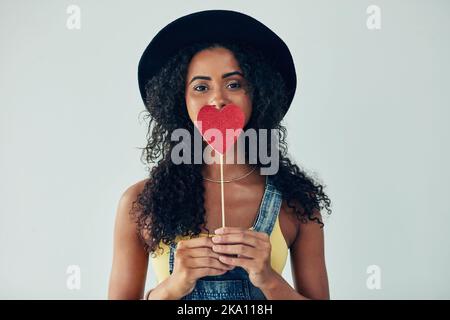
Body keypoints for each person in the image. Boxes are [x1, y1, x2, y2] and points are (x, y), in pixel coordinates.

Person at [108, 9, 332, 300]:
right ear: (180, 100)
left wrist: (269, 279)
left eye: (234, 84)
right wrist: (174, 286)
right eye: (201, 87)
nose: (217, 99)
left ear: (258, 94)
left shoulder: (296, 203)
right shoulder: (139, 203)